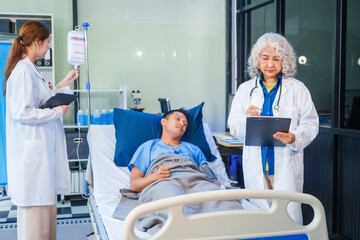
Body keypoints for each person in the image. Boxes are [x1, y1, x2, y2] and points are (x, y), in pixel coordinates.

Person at [227, 32, 319, 224]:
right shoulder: (246, 90)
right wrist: (246, 119)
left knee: (287, 218)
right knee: (260, 220)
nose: (270, 64)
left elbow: (311, 123)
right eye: (265, 58)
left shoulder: (297, 89)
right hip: (256, 163)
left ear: (284, 61)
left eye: (276, 59)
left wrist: (294, 137)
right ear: (257, 59)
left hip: (286, 163)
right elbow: (234, 125)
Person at [3, 20, 78, 240]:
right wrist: (57, 112)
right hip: (32, 162)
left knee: (45, 226)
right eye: (47, 43)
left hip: (40, 159)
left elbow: (44, 99)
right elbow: (23, 112)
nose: (48, 47)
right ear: (36, 42)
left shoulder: (31, 69)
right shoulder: (23, 72)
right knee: (35, 229)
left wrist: (65, 82)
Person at [127, 109, 243, 232]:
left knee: (229, 206)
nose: (182, 123)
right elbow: (134, 185)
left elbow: (206, 171)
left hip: (196, 180)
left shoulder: (194, 149)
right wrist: (155, 176)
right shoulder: (148, 147)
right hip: (165, 182)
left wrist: (215, 183)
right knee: (176, 207)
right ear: (163, 122)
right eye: (177, 119)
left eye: (185, 123)